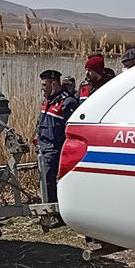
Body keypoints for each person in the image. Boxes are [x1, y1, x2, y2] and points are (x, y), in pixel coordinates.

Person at [37, 69, 79, 218]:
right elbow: (41, 122)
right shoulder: (47, 100)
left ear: (53, 83)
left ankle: (57, 215)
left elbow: (72, 129)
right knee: (44, 181)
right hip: (43, 147)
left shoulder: (67, 102)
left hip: (55, 149)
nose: (42, 88)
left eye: (44, 84)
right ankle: (48, 211)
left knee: (50, 181)